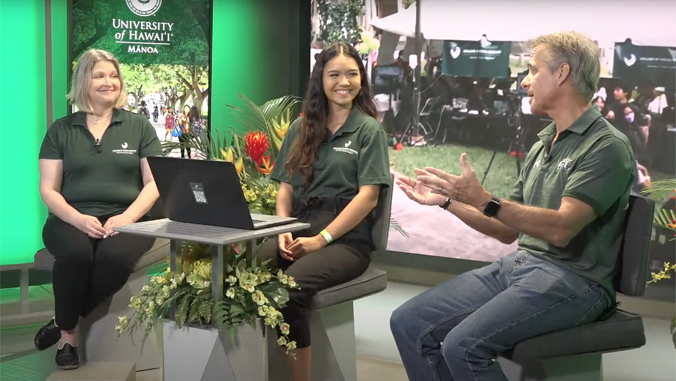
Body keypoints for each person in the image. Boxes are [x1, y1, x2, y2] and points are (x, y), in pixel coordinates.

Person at [390, 31, 636, 381]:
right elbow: (506, 230)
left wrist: (483, 198)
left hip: (576, 282)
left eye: (533, 70)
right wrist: (447, 202)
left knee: (462, 346)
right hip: (522, 266)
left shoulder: (606, 146)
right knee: (408, 322)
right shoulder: (541, 145)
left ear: (562, 73)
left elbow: (561, 228)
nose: (524, 81)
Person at [256, 42, 390, 381]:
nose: (343, 82)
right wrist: (281, 228)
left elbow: (369, 198)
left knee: (291, 286)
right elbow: (285, 187)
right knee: (247, 270)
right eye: (334, 74)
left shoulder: (368, 130)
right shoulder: (302, 129)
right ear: (321, 79)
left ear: (361, 79)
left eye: (351, 74)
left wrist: (322, 239)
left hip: (346, 240)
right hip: (298, 224)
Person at [34, 49, 162, 370]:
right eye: (100, 75)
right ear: (83, 82)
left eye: (114, 75)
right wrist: (77, 218)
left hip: (127, 218)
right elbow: (48, 189)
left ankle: (63, 319)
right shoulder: (61, 130)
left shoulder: (139, 127)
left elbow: (154, 184)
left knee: (113, 259)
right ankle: (69, 339)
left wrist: (127, 218)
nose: (110, 82)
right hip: (69, 217)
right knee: (77, 256)